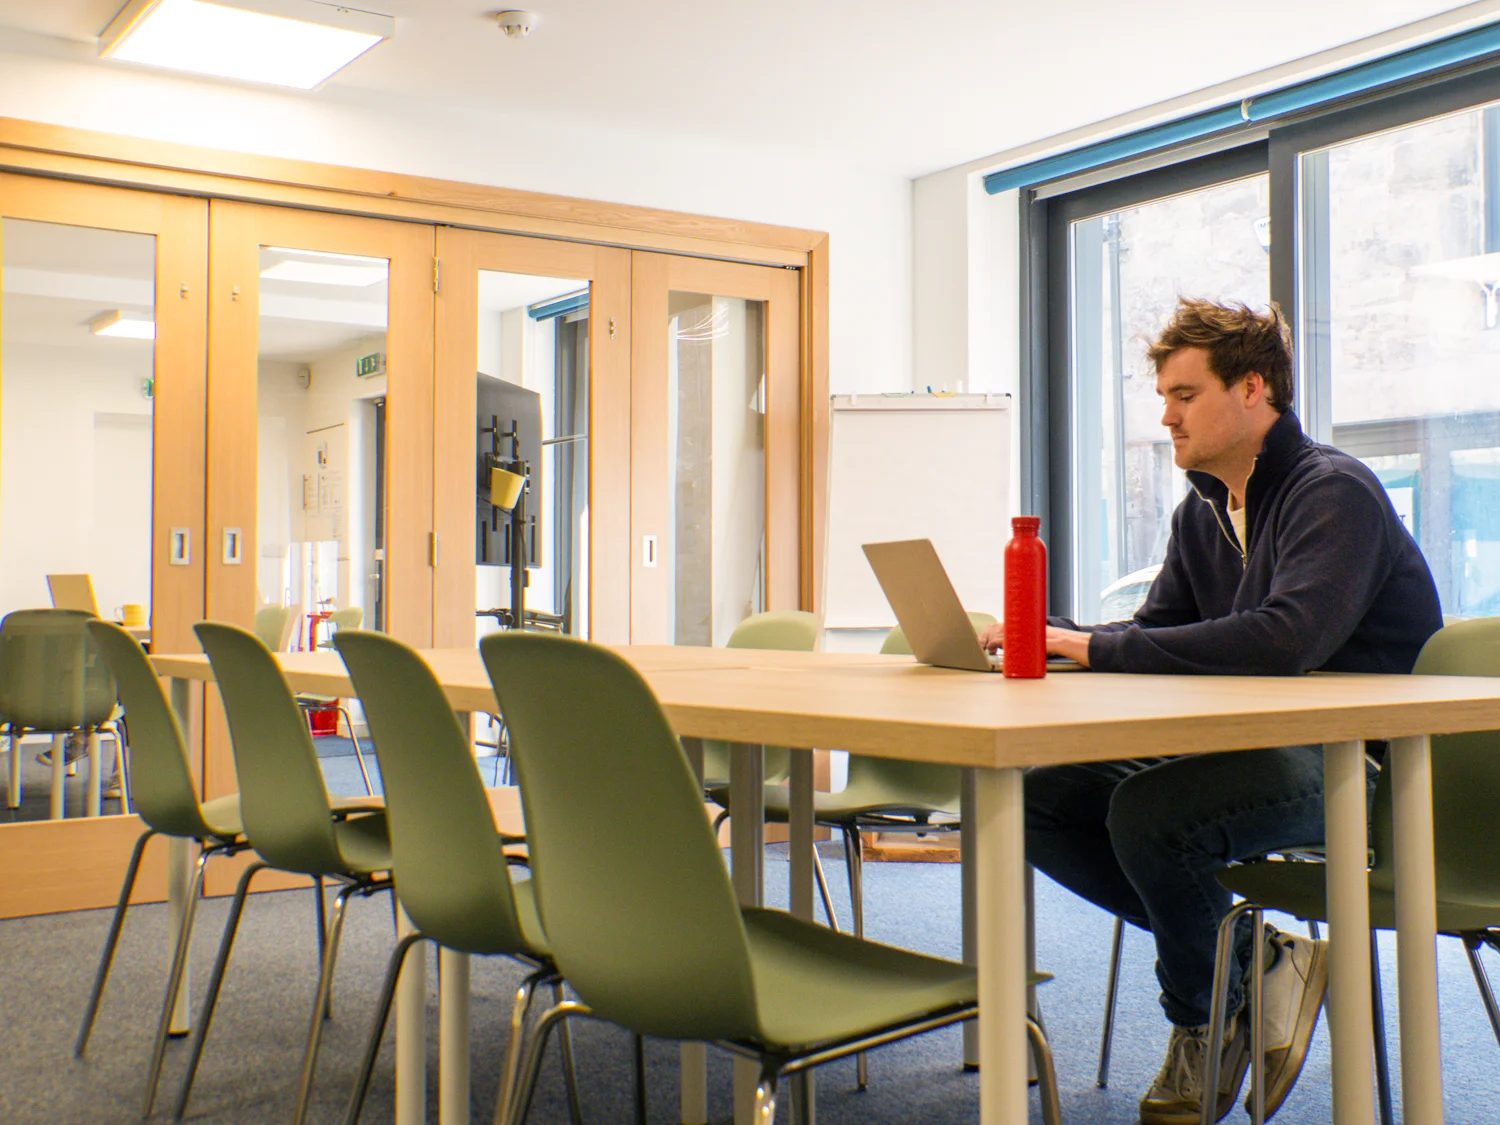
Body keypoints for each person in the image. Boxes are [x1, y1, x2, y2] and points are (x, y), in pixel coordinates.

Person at [980, 299, 1442, 1125]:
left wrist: (1085, 648)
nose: (1166, 415)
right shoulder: (1203, 509)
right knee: (1043, 797)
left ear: (1254, 389)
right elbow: (1160, 633)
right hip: (1261, 752)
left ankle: (1206, 1018)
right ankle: (1257, 959)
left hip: (1365, 768)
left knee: (1153, 812)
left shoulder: (1333, 492)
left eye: (1185, 395)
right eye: (1164, 396)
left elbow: (1281, 640)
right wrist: (1056, 639)